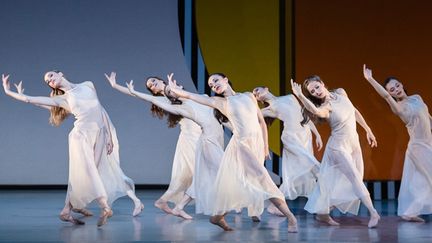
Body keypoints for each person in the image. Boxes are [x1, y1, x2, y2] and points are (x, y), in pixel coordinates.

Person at [2, 72, 142, 227]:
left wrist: (108, 135)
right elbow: (31, 100)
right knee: (89, 172)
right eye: (47, 81)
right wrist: (9, 92)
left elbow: (100, 111)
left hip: (100, 133)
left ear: (60, 74)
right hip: (81, 136)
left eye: (51, 76)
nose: (50, 80)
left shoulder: (88, 84)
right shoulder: (62, 99)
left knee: (90, 172)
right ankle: (105, 207)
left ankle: (66, 211)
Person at [168, 73, 298, 233]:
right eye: (210, 85)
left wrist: (265, 146)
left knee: (242, 185)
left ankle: (216, 218)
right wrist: (175, 90)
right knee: (263, 179)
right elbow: (191, 96)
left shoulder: (249, 96)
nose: (213, 85)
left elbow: (262, 122)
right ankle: (291, 218)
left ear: (226, 79)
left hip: (255, 144)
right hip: (241, 145)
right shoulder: (221, 102)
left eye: (215, 80)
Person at [105, 72, 202, 215]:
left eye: (153, 81)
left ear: (161, 81)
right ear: (153, 91)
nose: (152, 84)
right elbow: (135, 94)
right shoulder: (161, 99)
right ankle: (177, 205)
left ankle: (163, 201)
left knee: (187, 175)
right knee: (197, 172)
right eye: (150, 86)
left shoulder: (175, 89)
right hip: (189, 138)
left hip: (199, 134)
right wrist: (115, 85)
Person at [291, 75, 380, 228]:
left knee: (352, 179)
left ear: (322, 83)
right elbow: (315, 112)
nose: (316, 92)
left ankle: (322, 212)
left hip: (354, 144)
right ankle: (374, 213)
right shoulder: (325, 107)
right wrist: (299, 95)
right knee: (354, 178)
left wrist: (368, 129)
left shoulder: (341, 92)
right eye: (312, 92)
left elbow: (354, 111)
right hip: (338, 147)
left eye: (317, 87)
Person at [363, 64, 432, 222]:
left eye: (397, 85)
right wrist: (370, 79)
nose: (396, 89)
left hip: (429, 144)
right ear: (390, 94)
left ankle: (410, 213)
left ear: (401, 84)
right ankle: (410, 212)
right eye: (391, 89)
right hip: (418, 148)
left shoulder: (417, 97)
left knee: (423, 182)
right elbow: (385, 97)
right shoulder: (399, 107)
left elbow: (428, 119)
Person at [252, 87, 322, 215]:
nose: (256, 93)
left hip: (304, 135)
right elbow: (248, 117)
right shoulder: (267, 110)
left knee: (301, 171)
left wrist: (317, 134)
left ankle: (275, 206)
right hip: (290, 138)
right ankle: (327, 186)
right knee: (312, 164)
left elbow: (304, 117)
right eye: (254, 94)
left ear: (266, 89)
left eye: (257, 90)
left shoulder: (290, 97)